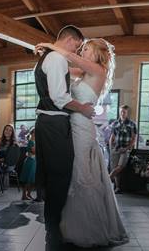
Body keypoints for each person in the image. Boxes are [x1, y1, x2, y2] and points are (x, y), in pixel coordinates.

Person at [36, 36, 128, 247]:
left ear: (97, 55)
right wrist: (46, 57)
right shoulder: (84, 73)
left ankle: (88, 229)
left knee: (82, 177)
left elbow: (67, 56)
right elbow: (63, 69)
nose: (82, 51)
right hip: (72, 126)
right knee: (75, 175)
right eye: (83, 48)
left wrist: (51, 46)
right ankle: (70, 225)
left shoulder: (98, 71)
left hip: (83, 130)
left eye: (86, 49)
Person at [33, 25, 95, 250]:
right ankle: (53, 230)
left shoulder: (45, 59)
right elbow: (60, 97)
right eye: (78, 47)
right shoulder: (57, 59)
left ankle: (52, 226)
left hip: (45, 123)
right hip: (54, 123)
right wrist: (83, 109)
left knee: (52, 176)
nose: (78, 51)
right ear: (71, 40)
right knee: (60, 176)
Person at [109, 105, 137, 194]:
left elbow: (133, 138)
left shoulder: (132, 124)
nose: (122, 113)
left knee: (120, 166)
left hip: (126, 149)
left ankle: (107, 179)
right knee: (115, 167)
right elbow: (112, 137)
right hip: (116, 148)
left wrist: (127, 148)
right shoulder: (115, 123)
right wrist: (111, 148)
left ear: (127, 112)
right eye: (121, 111)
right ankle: (117, 188)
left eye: (124, 112)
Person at [0, 124, 18, 193]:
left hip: (10, 163)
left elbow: (11, 157)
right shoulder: (0, 140)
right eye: (6, 129)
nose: (8, 131)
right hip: (0, 162)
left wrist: (0, 160)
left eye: (10, 130)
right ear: (4, 130)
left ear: (12, 132)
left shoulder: (14, 142)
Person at [19, 127, 36, 200]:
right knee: (28, 179)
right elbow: (34, 151)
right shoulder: (31, 141)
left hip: (34, 161)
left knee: (33, 180)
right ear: (32, 133)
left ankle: (29, 193)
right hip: (30, 161)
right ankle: (24, 195)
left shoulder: (35, 141)